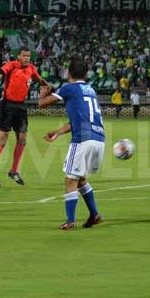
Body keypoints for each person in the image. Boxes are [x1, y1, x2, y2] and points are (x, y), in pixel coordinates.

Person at [38, 60, 105, 230]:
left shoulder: (69, 88)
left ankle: (70, 220)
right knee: (80, 179)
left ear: (69, 74)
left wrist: (42, 93)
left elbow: (42, 104)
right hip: (98, 138)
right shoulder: (91, 90)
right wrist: (58, 132)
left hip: (83, 139)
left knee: (70, 179)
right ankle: (95, 214)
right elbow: (79, 120)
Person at [0, 47, 51, 188]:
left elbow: (39, 79)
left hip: (21, 107)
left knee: (22, 140)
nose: (27, 58)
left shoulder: (31, 69)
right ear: (19, 57)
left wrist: (46, 85)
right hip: (7, 106)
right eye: (24, 56)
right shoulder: (11, 65)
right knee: (3, 139)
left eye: (29, 56)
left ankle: (14, 171)